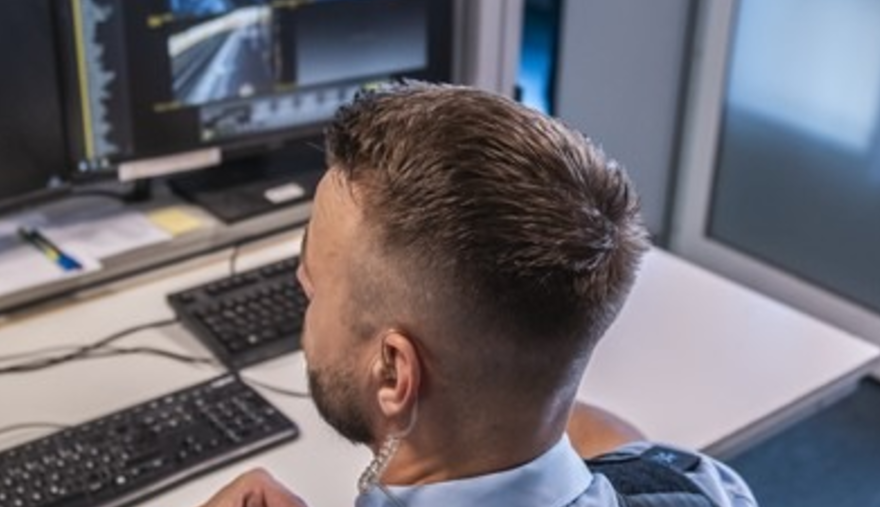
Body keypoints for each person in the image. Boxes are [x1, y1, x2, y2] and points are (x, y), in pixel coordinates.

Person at [196, 82, 757, 506]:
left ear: (393, 374)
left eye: (312, 287)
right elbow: (615, 447)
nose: (303, 292)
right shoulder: (696, 485)